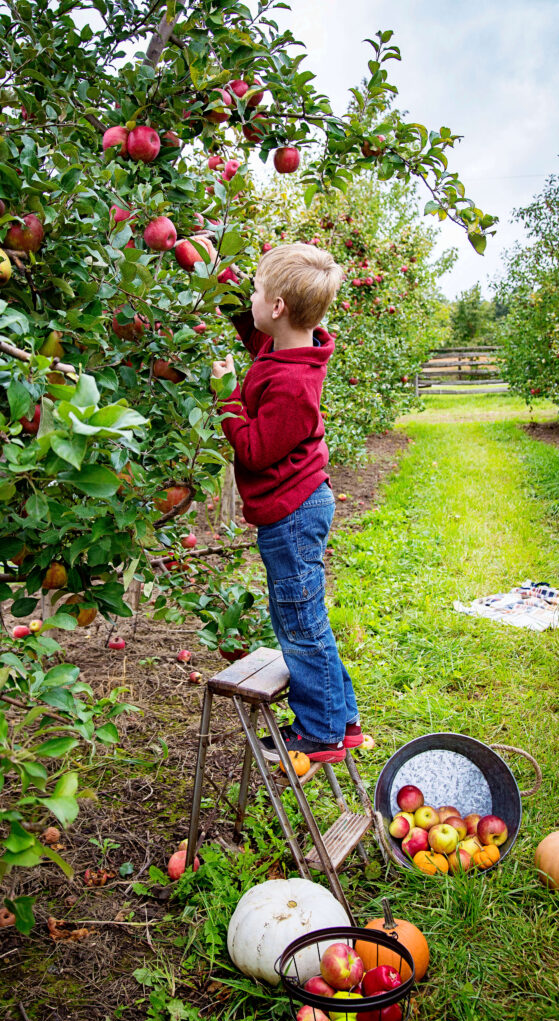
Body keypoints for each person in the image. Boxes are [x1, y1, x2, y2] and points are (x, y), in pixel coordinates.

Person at [211, 242, 363, 764]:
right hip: (295, 506)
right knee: (305, 616)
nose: (250, 298)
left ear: (277, 307)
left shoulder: (294, 382)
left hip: (292, 513)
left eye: (256, 290)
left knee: (299, 622)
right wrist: (219, 269)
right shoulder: (285, 345)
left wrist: (227, 397)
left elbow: (252, 451)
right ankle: (342, 717)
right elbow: (250, 327)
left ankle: (319, 733)